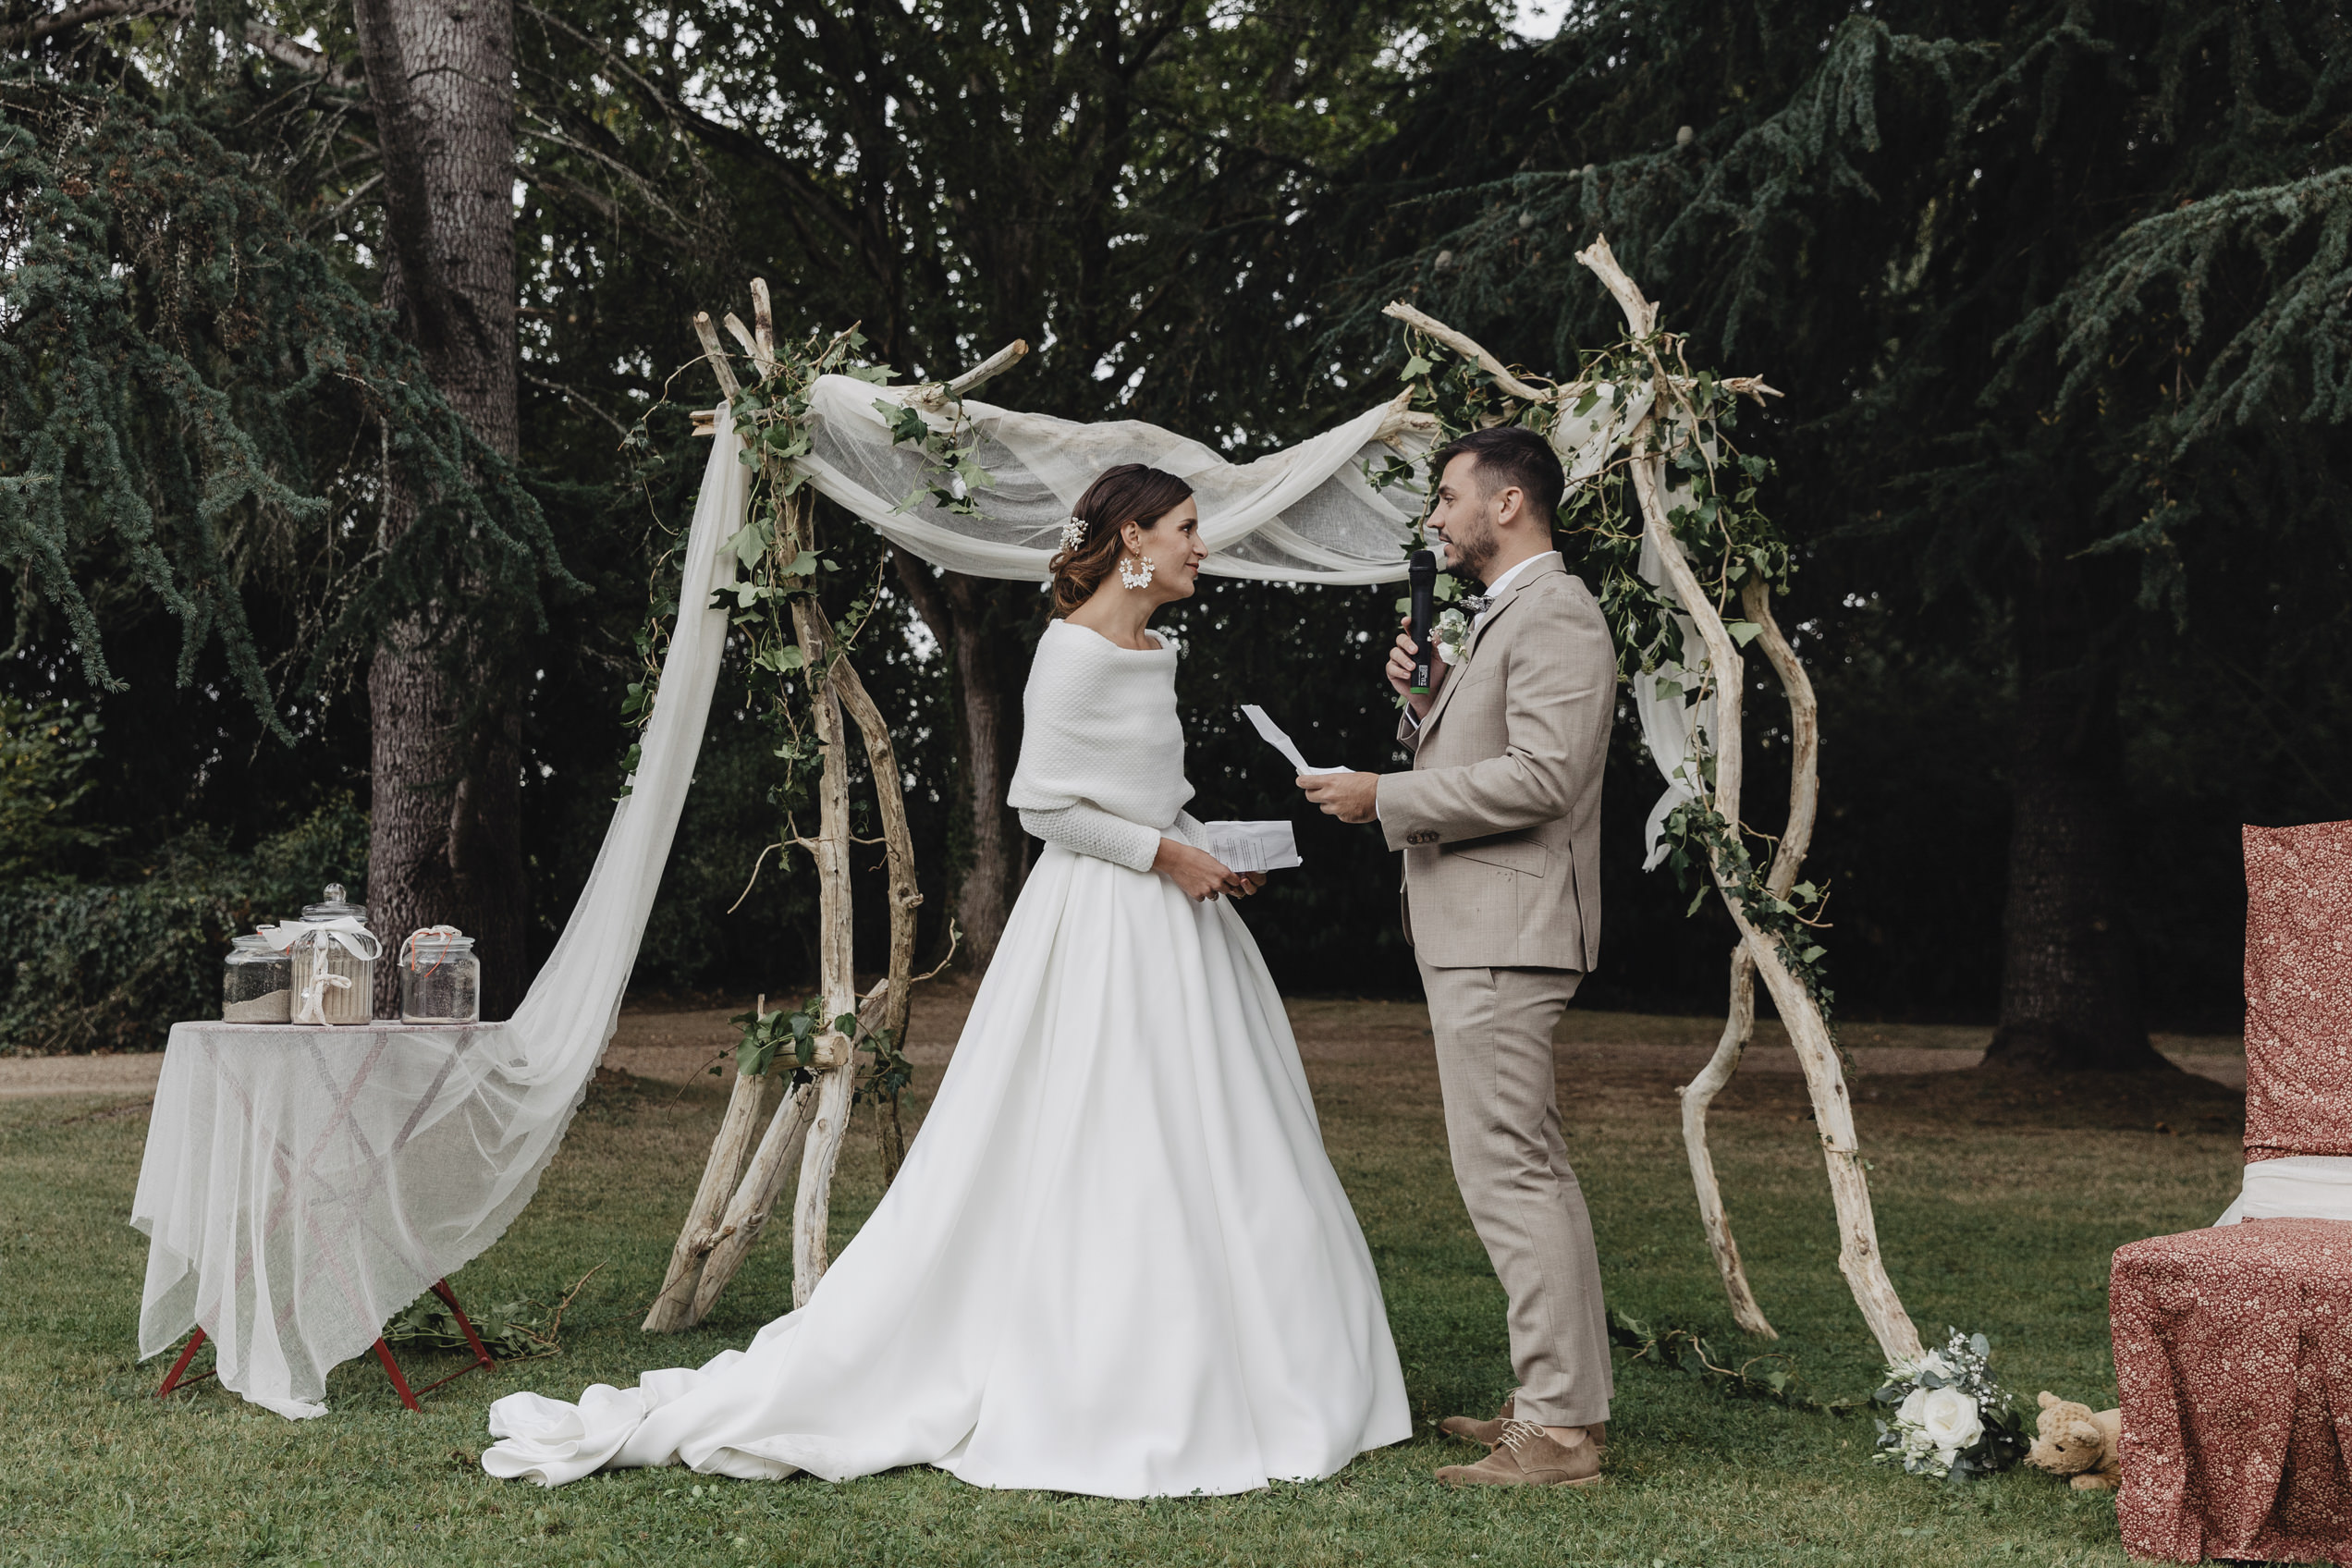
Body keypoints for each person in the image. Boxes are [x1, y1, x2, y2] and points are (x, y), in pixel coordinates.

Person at [481, 463, 1410, 1497]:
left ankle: (1254, 1366)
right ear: (1133, 539)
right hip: (1098, 927)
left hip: (1177, 930)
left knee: (1223, 1140)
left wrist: (1207, 852)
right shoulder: (1069, 654)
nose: (1204, 545)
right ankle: (1093, 1369)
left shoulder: (1159, 652)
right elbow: (1043, 808)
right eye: (1188, 527)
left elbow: (1147, 793)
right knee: (1103, 1134)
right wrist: (1164, 856)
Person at [1297, 425, 1615, 1488]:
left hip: (1505, 930)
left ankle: (1561, 1432)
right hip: (1483, 926)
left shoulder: (1556, 610)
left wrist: (1384, 795)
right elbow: (1480, 749)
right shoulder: (1501, 615)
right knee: (1525, 1167)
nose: (1436, 516)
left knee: (1507, 1172)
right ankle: (1556, 1401)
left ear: (1507, 502)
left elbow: (1544, 777)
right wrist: (1425, 701)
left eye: (1446, 496)